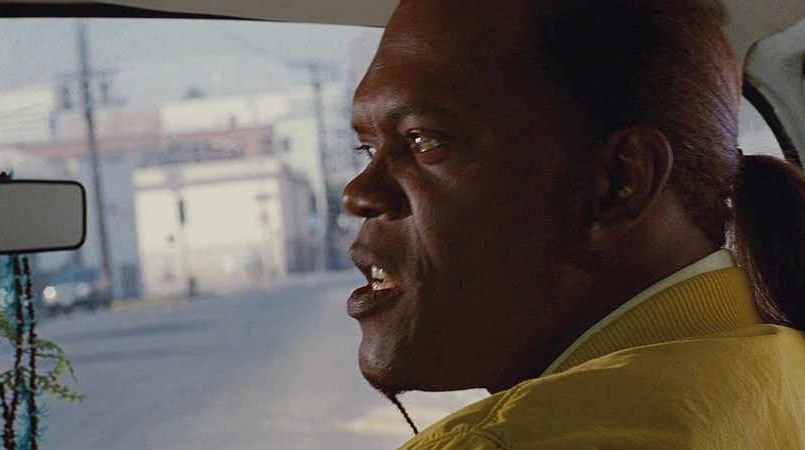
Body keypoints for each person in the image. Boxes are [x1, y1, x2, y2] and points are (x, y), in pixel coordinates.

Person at [341, 0, 805, 447]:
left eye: (424, 140)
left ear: (619, 182)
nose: (357, 194)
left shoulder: (502, 443)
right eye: (368, 148)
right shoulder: (787, 371)